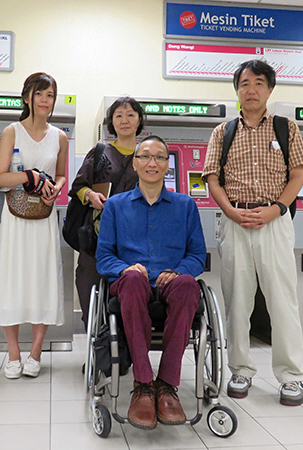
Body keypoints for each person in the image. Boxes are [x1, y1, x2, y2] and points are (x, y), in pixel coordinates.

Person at [202, 59, 303, 406]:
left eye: (259, 83)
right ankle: (240, 369)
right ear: (237, 89)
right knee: (237, 299)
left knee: (282, 300)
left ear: (269, 89)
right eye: (245, 83)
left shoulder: (285, 128)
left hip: (275, 220)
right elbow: (212, 180)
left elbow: (297, 176)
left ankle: (291, 376)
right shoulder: (223, 132)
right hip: (234, 220)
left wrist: (276, 209)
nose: (252, 90)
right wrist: (231, 211)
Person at [96, 135, 206, 429]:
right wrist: (125, 268)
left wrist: (181, 270)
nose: (152, 162)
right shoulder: (116, 206)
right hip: (132, 284)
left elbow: (197, 255)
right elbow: (104, 257)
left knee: (188, 285)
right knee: (132, 281)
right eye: (145, 156)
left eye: (158, 157)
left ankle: (167, 384)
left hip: (171, 282)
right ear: (135, 163)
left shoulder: (185, 206)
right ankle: (143, 384)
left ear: (167, 164)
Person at [0, 72, 67, 379]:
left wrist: (55, 188)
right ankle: (13, 351)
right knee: (11, 279)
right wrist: (29, 177)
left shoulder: (58, 136)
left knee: (42, 278)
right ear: (27, 98)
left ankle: (36, 351)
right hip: (14, 219)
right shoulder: (11, 131)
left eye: (50, 96)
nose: (46, 101)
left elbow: (61, 176)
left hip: (43, 217)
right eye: (40, 94)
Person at [68, 96, 144, 329]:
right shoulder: (100, 152)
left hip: (135, 240)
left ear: (139, 120)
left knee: (129, 299)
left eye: (130, 114)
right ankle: (98, 352)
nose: (124, 120)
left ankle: (123, 352)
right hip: (97, 239)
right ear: (111, 122)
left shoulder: (147, 155)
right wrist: (90, 195)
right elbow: (78, 187)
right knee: (90, 294)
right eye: (118, 115)